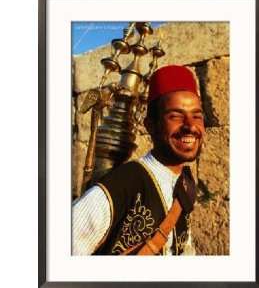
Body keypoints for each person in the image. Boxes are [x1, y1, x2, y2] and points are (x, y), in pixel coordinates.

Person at [72, 65, 205, 255]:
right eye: (175, 116)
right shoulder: (121, 185)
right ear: (150, 125)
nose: (190, 126)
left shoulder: (185, 183)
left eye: (196, 116)